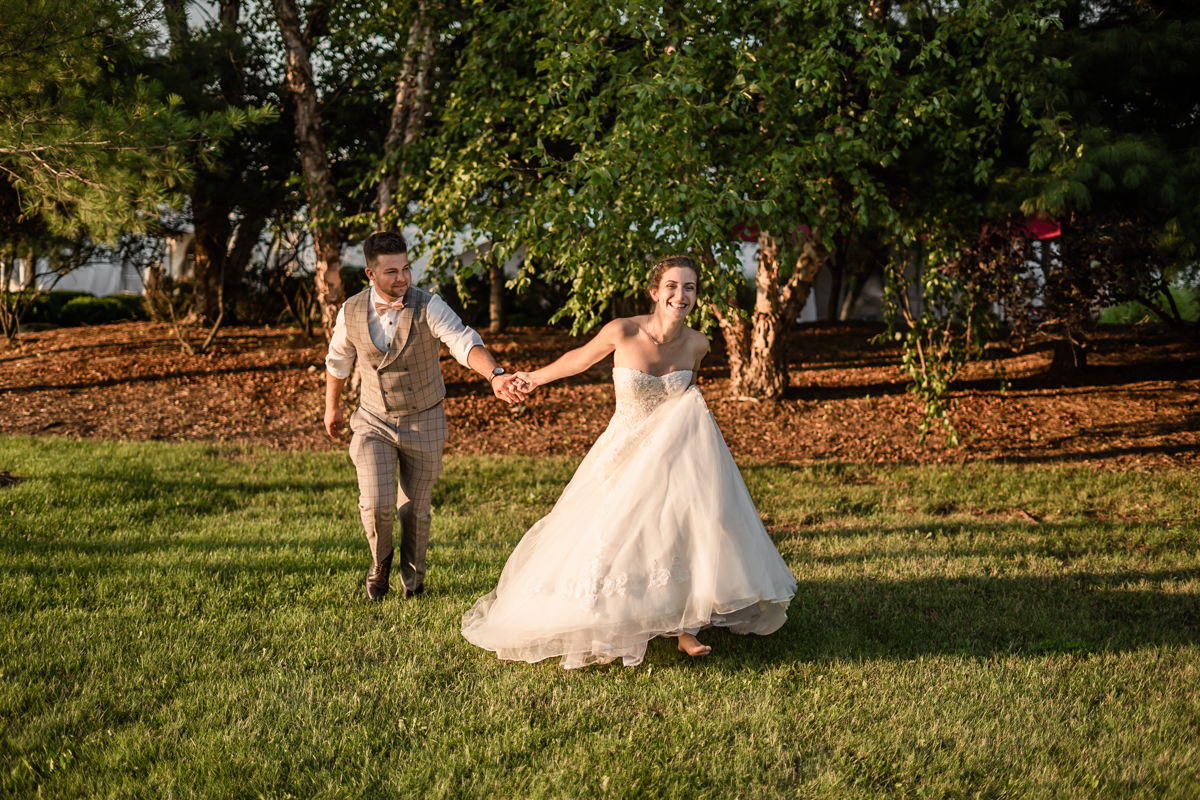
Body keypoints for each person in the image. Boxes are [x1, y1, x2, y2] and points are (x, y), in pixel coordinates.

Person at [461, 256, 797, 667]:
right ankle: (606, 613)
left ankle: (686, 626)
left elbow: (691, 398)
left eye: (689, 287)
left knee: (689, 523)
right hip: (624, 446)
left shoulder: (698, 343)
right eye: (672, 286)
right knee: (610, 531)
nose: (681, 295)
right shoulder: (623, 330)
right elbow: (579, 359)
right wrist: (530, 378)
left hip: (677, 452)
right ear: (655, 292)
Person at [325, 231, 525, 601]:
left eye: (405, 269)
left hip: (425, 418)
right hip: (372, 419)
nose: (402, 278)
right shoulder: (350, 311)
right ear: (370, 274)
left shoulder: (429, 305)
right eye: (390, 272)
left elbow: (464, 342)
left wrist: (494, 374)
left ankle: (413, 582)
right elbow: (338, 361)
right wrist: (332, 407)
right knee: (376, 501)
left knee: (415, 510)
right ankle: (379, 564)